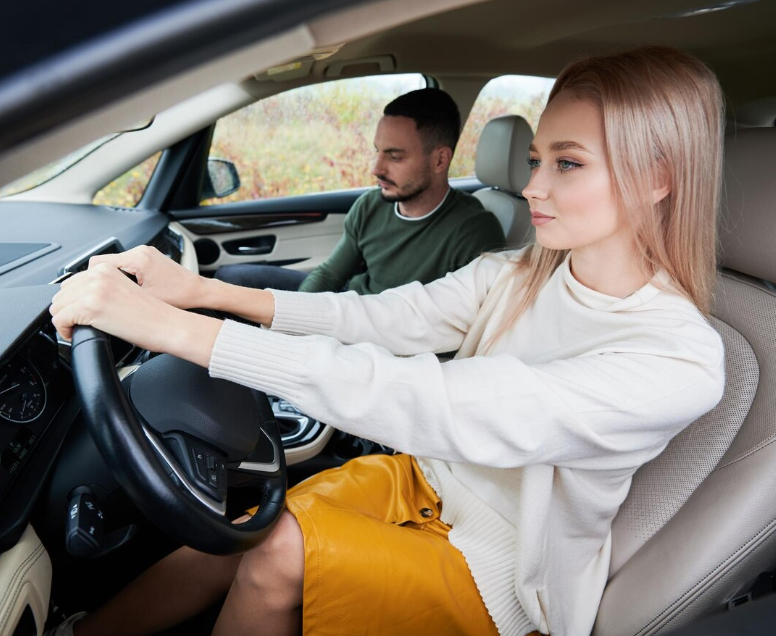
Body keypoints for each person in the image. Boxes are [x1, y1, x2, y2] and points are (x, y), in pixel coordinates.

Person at [49, 45, 726, 636]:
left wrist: (173, 330)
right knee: (237, 529)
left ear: (657, 178)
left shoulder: (678, 360)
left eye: (567, 164)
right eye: (538, 158)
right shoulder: (523, 270)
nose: (532, 186)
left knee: (278, 551)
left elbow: (439, 400)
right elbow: (379, 317)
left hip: (502, 573)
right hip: (423, 476)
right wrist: (201, 294)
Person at [214, 88, 506, 294]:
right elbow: (330, 274)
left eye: (394, 156)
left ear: (440, 160)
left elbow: (457, 325)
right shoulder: (371, 205)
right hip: (349, 304)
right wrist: (296, 318)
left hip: (379, 340)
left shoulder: (473, 230)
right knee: (231, 277)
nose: (376, 169)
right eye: (377, 151)